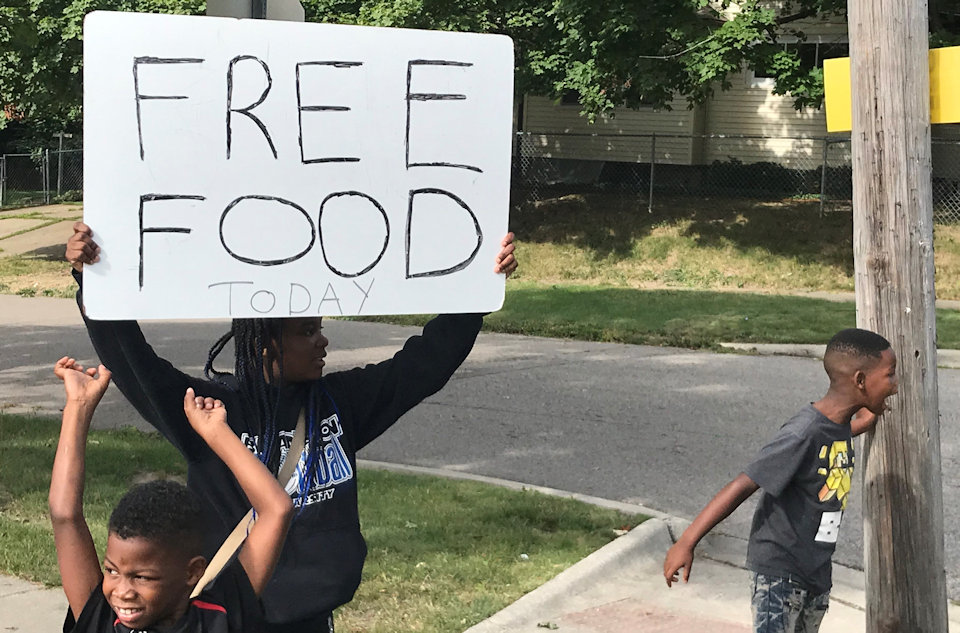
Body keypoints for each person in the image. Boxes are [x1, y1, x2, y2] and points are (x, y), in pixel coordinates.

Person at [65, 222, 517, 632]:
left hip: (313, 622)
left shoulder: (342, 404)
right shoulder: (209, 416)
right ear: (265, 343)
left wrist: (475, 288)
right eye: (306, 331)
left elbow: (424, 365)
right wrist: (93, 281)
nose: (322, 341)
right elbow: (134, 363)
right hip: (235, 620)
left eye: (318, 328)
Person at [662, 327, 899, 633]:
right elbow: (743, 484)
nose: (895, 386)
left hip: (815, 574)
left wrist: (867, 418)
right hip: (781, 575)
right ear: (860, 380)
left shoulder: (835, 426)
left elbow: (834, 440)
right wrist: (686, 542)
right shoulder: (802, 432)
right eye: (890, 375)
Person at [50, 356, 294, 633]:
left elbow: (278, 510)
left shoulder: (218, 619)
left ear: (192, 572)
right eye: (112, 571)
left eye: (141, 577)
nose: (122, 591)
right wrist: (78, 406)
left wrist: (217, 434)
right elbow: (64, 515)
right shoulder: (103, 619)